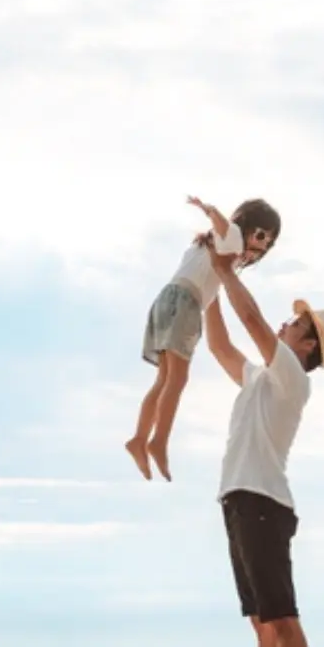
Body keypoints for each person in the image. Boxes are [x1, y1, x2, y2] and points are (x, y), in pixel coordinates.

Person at [200, 248, 324, 647]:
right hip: (240, 499)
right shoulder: (260, 377)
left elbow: (251, 318)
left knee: (282, 617)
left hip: (264, 503)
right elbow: (220, 345)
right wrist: (208, 287)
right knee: (261, 620)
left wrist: (224, 271)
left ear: (306, 347)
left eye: (296, 325)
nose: (285, 325)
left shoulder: (289, 378)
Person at [125, 195, 281, 482]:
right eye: (260, 235)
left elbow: (212, 283)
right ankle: (158, 442)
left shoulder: (209, 247)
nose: (262, 244)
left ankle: (139, 439)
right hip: (185, 304)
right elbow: (228, 227)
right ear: (246, 226)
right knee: (178, 379)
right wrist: (210, 210)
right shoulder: (231, 238)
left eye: (268, 242)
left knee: (163, 380)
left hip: (168, 301)